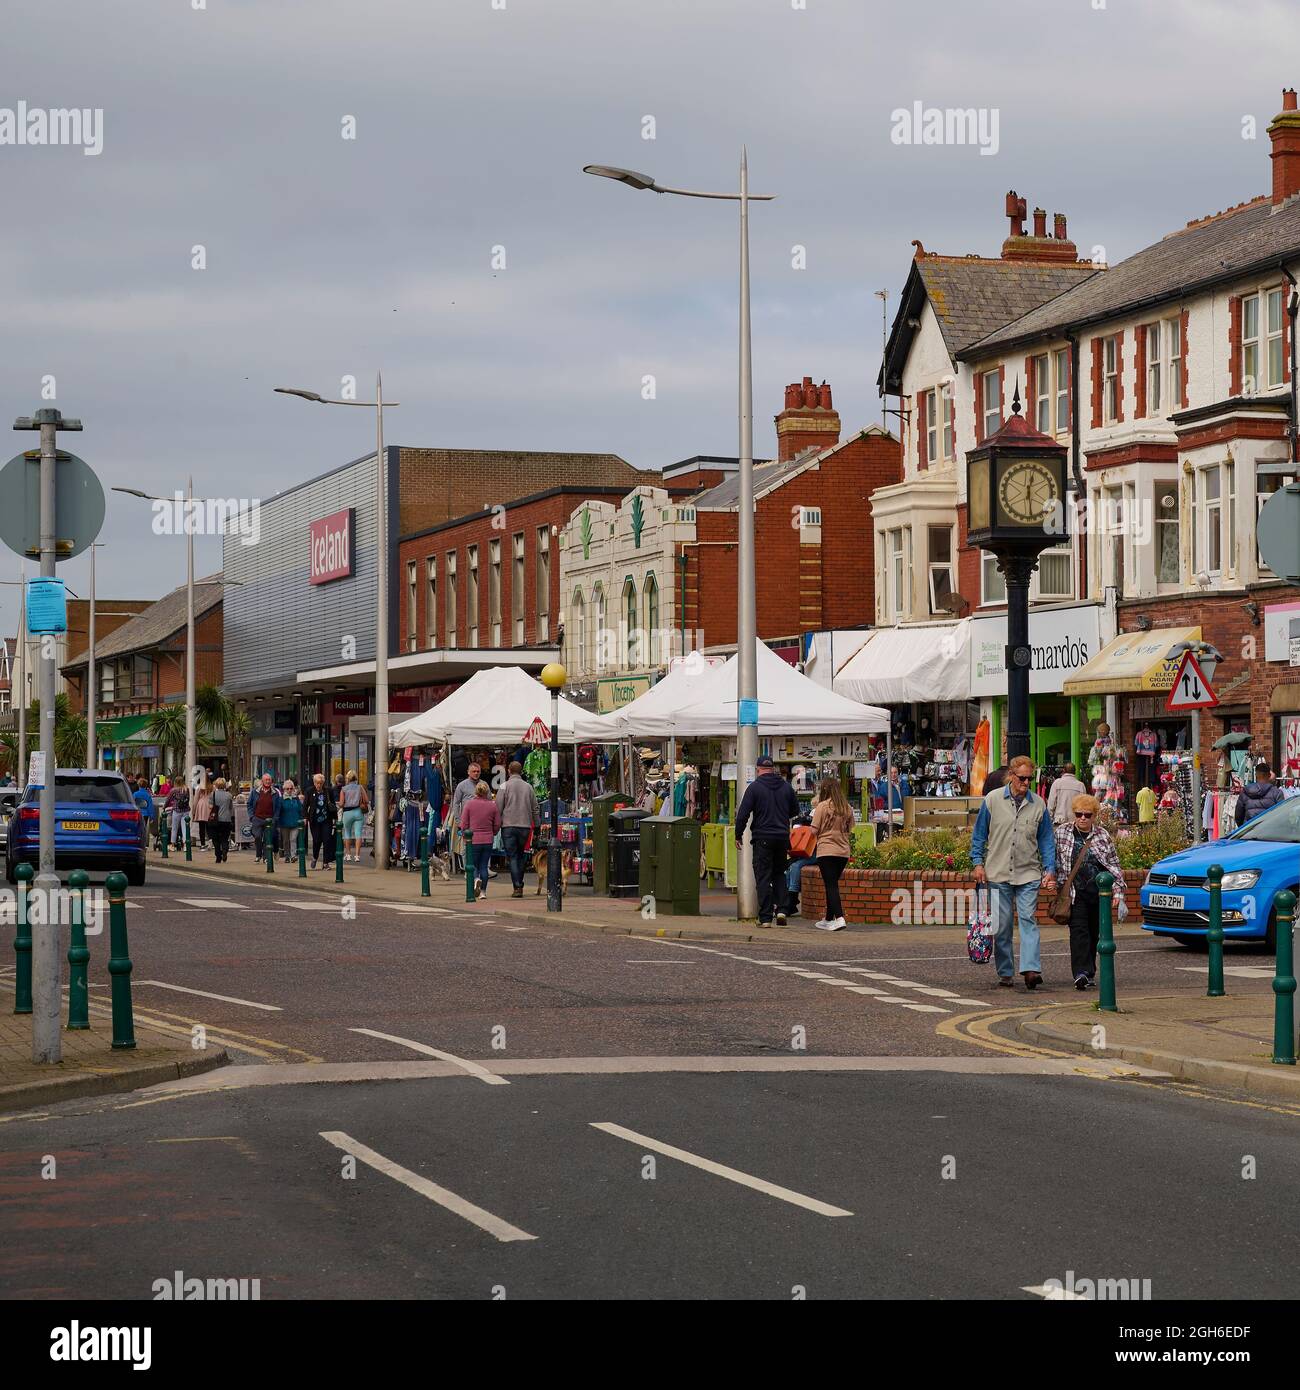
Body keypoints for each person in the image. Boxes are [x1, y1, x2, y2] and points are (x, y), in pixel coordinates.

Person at [971, 754, 1057, 989]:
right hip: (998, 873)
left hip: (1028, 873)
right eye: (1021, 778)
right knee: (1002, 926)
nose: (1026, 783)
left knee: (1028, 919)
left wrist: (1050, 869)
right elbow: (979, 835)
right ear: (1011, 775)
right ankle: (1006, 972)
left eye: (1029, 779)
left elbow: (1047, 840)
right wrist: (978, 863)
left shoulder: (1039, 804)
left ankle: (1030, 969)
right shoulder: (992, 800)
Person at [1054, 794, 1126, 989]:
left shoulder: (1102, 836)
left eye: (1087, 815)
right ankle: (1081, 972)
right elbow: (1053, 860)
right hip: (1075, 894)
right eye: (1079, 814)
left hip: (1098, 893)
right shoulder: (1062, 833)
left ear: (1094, 816)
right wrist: (1049, 877)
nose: (1083, 818)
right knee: (1079, 932)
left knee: (1094, 933)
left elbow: (1114, 866)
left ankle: (1090, 971)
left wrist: (1118, 893)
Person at [735, 755, 800, 927]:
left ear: (758, 770)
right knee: (779, 873)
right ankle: (782, 910)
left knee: (763, 876)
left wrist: (738, 835)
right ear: (772, 768)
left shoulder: (754, 788)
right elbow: (795, 810)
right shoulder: (786, 787)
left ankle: (765, 918)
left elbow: (742, 814)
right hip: (782, 838)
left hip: (762, 837)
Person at [810, 777, 855, 932]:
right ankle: (828, 919)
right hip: (843, 852)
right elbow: (850, 829)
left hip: (826, 850)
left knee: (831, 885)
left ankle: (840, 917)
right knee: (832, 884)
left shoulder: (822, 807)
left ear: (824, 790)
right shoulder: (847, 807)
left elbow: (814, 830)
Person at [495, 760, 540, 898]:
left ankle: (517, 886)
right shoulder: (528, 787)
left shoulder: (504, 786)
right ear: (521, 771)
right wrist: (537, 825)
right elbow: (535, 808)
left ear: (509, 771)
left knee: (513, 857)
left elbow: (498, 807)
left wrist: (497, 825)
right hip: (525, 826)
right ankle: (519, 882)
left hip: (508, 826)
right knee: (521, 855)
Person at [461, 779, 501, 900]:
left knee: (473, 865)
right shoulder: (492, 805)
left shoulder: (469, 804)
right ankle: (483, 892)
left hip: (473, 839)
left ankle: (475, 879)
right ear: (487, 792)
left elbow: (464, 824)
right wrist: (493, 832)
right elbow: (498, 823)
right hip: (488, 839)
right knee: (484, 866)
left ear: (476, 791)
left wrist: (464, 835)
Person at [450, 761, 482, 867]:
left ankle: (480, 869)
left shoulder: (483, 785)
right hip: (467, 821)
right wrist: (458, 820)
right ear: (468, 772)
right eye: (474, 771)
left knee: (481, 845)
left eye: (478, 771)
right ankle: (468, 870)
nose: (476, 773)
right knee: (465, 846)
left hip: (481, 821)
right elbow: (456, 803)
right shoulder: (462, 785)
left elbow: (489, 802)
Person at [304, 772, 337, 869]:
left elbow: (333, 805)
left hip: (327, 820)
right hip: (315, 820)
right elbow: (305, 805)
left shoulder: (328, 791)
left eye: (321, 783)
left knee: (327, 840)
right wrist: (305, 817)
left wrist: (335, 819)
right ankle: (315, 857)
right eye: (317, 783)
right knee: (317, 840)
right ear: (314, 783)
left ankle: (325, 863)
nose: (319, 785)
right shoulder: (309, 791)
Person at [247, 773, 282, 861]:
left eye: (269, 780)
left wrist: (275, 818)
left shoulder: (275, 793)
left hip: (269, 819)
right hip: (257, 818)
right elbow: (249, 804)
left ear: (271, 781)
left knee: (267, 838)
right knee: (257, 836)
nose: (267, 781)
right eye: (266, 780)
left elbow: (278, 807)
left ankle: (266, 857)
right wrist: (252, 816)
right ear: (262, 781)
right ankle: (258, 854)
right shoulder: (255, 792)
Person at [338, 770, 369, 863]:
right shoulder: (360, 787)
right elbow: (367, 800)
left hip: (347, 813)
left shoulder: (343, 789)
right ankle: (357, 856)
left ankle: (348, 855)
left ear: (347, 778)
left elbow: (341, 803)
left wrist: (340, 805)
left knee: (347, 833)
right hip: (358, 811)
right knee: (358, 834)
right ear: (356, 778)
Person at [1047, 762, 1088, 827]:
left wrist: (1049, 819)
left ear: (1063, 771)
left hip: (1059, 820)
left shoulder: (1057, 783)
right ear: (1074, 772)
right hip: (1074, 822)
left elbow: (1051, 803)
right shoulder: (1080, 785)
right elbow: (1083, 805)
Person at [210, 777, 235, 863]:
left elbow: (210, 807)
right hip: (226, 819)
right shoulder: (229, 795)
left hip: (215, 820)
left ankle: (218, 855)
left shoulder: (212, 794)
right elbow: (231, 808)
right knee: (225, 838)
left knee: (215, 839)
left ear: (216, 785)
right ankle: (224, 851)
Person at [278, 778, 303, 862]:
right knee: (286, 840)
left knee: (293, 839)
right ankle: (287, 855)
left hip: (295, 822)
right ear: (284, 789)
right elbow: (278, 811)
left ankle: (293, 855)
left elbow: (300, 809)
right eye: (287, 789)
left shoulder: (296, 799)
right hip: (284, 823)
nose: (289, 790)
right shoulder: (281, 799)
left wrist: (302, 819)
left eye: (291, 788)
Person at [162, 778, 190, 849]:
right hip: (185, 810)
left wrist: (164, 807)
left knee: (174, 828)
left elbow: (168, 799)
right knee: (185, 828)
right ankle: (185, 845)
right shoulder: (186, 789)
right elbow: (188, 799)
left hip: (176, 810)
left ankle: (173, 844)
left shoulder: (174, 790)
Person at [191, 777, 213, 849]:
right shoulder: (212, 787)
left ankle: (202, 844)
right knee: (209, 826)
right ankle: (211, 841)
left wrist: (193, 811)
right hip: (209, 805)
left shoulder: (199, 788)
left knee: (201, 826)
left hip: (201, 806)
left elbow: (195, 800)